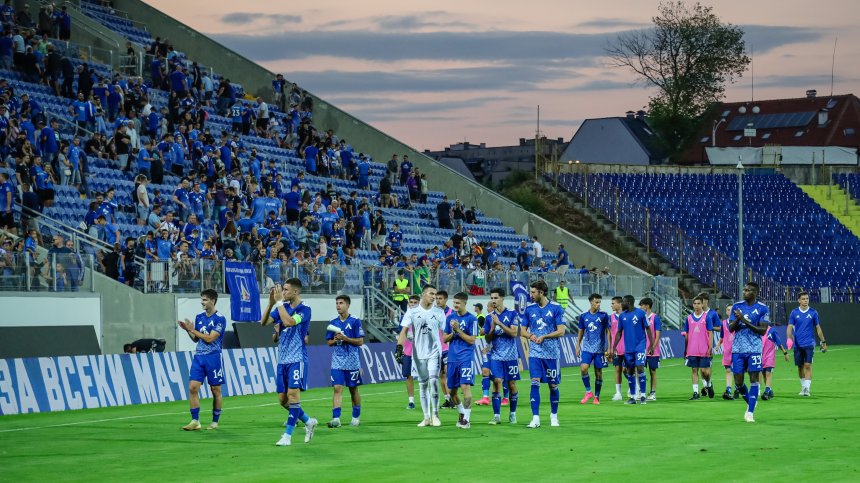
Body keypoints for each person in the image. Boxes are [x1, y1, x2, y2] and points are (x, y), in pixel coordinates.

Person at [261, 279, 318, 446]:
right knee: (283, 400)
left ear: (295, 292)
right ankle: (308, 421)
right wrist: (271, 303)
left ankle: (287, 436)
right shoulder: (281, 307)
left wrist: (278, 302)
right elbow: (263, 322)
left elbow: (289, 322)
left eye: (285, 290)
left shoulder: (305, 309)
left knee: (293, 396)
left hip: (297, 359)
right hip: (283, 361)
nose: (283, 292)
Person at [396, 285, 446, 427]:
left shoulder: (439, 312)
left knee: (433, 381)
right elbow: (404, 331)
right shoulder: (412, 312)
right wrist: (399, 347)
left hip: (434, 352)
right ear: (423, 294)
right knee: (422, 385)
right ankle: (426, 417)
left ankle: (435, 415)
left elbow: (446, 333)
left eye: (435, 294)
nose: (434, 296)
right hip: (418, 353)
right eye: (431, 293)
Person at [177, 289, 225, 431]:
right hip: (199, 357)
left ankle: (215, 421)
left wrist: (192, 330)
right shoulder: (199, 317)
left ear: (212, 301)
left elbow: (210, 338)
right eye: (201, 299)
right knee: (192, 388)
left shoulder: (220, 319)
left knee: (215, 390)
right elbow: (196, 339)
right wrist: (187, 330)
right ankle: (195, 420)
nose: (201, 302)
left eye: (204, 300)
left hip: (213, 357)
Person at [520, 280, 565, 428]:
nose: (531, 295)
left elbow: (561, 331)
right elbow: (523, 330)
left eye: (533, 292)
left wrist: (544, 336)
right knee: (534, 382)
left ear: (541, 292)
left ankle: (554, 416)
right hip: (535, 353)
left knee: (553, 385)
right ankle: (535, 418)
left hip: (552, 354)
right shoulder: (529, 309)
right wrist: (530, 336)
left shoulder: (556, 308)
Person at [729, 282, 770, 423]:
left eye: (748, 290)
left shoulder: (762, 309)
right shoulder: (737, 306)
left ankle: (750, 412)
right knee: (738, 382)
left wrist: (743, 320)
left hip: (754, 349)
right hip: (738, 349)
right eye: (744, 289)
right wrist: (737, 320)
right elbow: (730, 328)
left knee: (754, 379)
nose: (744, 291)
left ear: (755, 293)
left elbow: (762, 330)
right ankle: (751, 402)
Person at [325, 294, 364, 428]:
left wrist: (345, 338)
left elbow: (360, 341)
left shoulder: (355, 321)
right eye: (337, 303)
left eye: (341, 303)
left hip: (352, 361)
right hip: (337, 361)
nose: (338, 306)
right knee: (337, 388)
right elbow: (328, 342)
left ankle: (356, 416)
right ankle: (336, 418)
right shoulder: (333, 323)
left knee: (353, 389)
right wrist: (336, 340)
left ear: (347, 305)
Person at [484, 288, 520, 424]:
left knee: (511, 384)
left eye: (496, 298)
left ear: (502, 298)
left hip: (511, 356)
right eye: (492, 298)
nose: (493, 301)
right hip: (496, 356)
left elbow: (513, 333)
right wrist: (492, 328)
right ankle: (497, 416)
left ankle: (513, 413)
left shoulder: (512, 314)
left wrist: (500, 323)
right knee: (497, 382)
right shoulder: (489, 318)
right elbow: (488, 339)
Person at [443, 292, 479, 429]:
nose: (455, 305)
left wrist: (458, 330)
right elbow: (445, 339)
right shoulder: (450, 318)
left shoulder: (472, 319)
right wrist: (453, 331)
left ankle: (466, 420)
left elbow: (472, 340)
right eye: (454, 303)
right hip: (452, 359)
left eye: (458, 303)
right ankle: (461, 412)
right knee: (451, 391)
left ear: (465, 303)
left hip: (466, 358)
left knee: (465, 387)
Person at [612, 294, 653, 405]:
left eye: (623, 302)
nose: (622, 304)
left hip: (640, 346)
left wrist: (651, 345)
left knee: (640, 368)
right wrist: (614, 347)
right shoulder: (622, 316)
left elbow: (648, 328)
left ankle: (643, 395)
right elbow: (619, 332)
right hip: (628, 348)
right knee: (629, 371)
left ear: (629, 302)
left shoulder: (641, 313)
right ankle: (633, 397)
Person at [786, 291, 827, 397]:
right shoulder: (794, 313)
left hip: (809, 343)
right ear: (799, 300)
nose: (805, 301)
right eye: (803, 299)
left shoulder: (813, 312)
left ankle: (807, 388)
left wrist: (823, 341)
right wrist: (788, 338)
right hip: (798, 344)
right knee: (800, 366)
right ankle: (803, 387)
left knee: (807, 365)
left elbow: (818, 328)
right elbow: (790, 327)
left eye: (807, 299)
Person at [575, 293, 610, 405]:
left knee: (598, 373)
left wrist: (609, 347)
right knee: (583, 368)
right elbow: (581, 332)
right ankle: (588, 392)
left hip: (599, 350)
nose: (598, 304)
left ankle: (597, 397)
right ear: (591, 302)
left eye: (599, 302)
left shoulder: (604, 315)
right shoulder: (584, 316)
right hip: (587, 348)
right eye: (596, 302)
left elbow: (608, 332)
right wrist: (577, 346)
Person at [682, 296, 714, 401]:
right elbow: (686, 333)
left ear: (702, 304)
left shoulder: (707, 317)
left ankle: (709, 384)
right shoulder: (689, 318)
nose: (696, 305)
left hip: (704, 349)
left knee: (705, 372)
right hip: (692, 350)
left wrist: (710, 347)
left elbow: (710, 333)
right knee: (694, 370)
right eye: (695, 303)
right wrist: (686, 349)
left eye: (698, 303)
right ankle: (695, 393)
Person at [640, 297, 662, 401]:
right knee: (639, 370)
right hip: (641, 349)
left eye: (642, 305)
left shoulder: (655, 318)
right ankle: (641, 391)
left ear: (647, 306)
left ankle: (653, 393)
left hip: (653, 350)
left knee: (652, 371)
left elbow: (657, 335)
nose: (640, 307)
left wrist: (652, 347)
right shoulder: (640, 317)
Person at [435, 290, 453, 409]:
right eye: (436, 298)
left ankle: (453, 398)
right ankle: (447, 399)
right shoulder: (433, 312)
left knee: (448, 374)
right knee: (441, 375)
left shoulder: (452, 313)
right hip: (437, 349)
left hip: (448, 349)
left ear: (446, 299)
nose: (438, 300)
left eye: (440, 298)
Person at [400, 295, 419, 409]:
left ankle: (427, 398)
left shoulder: (423, 316)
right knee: (408, 376)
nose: (412, 304)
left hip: (421, 352)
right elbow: (402, 333)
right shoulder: (405, 317)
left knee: (424, 377)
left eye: (415, 302)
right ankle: (411, 401)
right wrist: (400, 348)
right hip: (408, 351)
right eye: (411, 302)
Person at [761, 325, 789, 400]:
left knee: (768, 373)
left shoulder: (772, 331)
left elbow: (778, 343)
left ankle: (766, 392)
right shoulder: (758, 330)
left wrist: (785, 353)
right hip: (761, 356)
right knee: (764, 374)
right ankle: (769, 390)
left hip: (770, 356)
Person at [608, 296, 626, 401]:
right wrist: (610, 347)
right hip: (616, 348)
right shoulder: (611, 317)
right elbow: (610, 333)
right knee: (617, 369)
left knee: (628, 369)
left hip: (627, 347)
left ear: (620, 304)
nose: (611, 305)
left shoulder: (626, 315)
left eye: (613, 303)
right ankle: (618, 393)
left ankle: (634, 388)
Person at [716, 304, 736, 400]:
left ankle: (737, 388)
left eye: (732, 310)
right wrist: (718, 345)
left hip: (737, 351)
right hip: (727, 351)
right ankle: (728, 389)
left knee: (737, 371)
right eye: (728, 310)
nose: (730, 311)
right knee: (728, 370)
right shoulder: (723, 323)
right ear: (726, 312)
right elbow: (722, 336)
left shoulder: (738, 323)